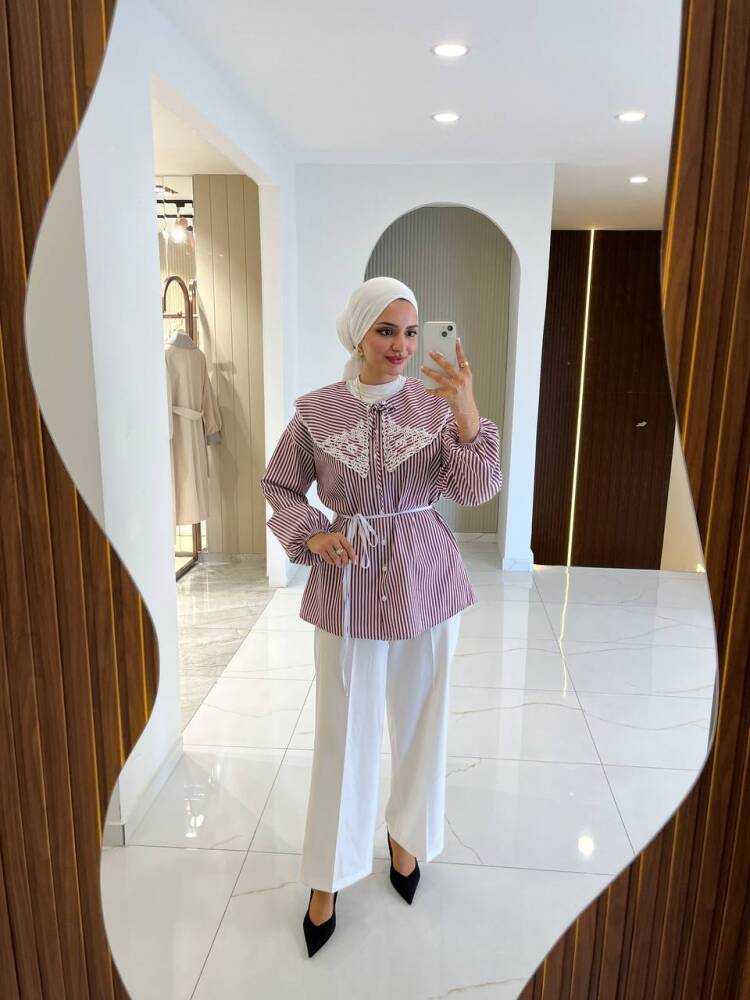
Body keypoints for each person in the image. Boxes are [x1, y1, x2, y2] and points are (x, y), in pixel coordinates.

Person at [260, 276, 503, 957]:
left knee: (424, 718)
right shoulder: (317, 412)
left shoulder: (436, 405)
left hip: (426, 575)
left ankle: (406, 837)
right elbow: (280, 484)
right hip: (349, 579)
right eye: (386, 331)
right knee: (344, 730)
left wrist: (465, 409)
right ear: (359, 335)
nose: (401, 345)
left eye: (411, 332)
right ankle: (329, 873)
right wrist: (312, 533)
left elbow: (476, 487)